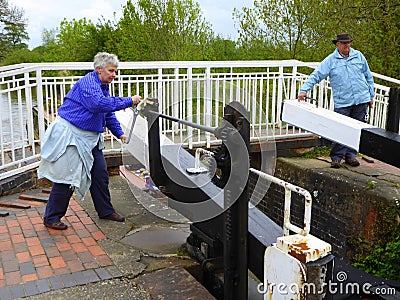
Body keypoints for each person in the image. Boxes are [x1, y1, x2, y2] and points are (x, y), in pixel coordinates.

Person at [38, 52, 141, 230]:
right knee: (68, 177)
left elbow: (106, 113)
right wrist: (128, 101)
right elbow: (98, 105)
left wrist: (120, 134)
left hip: (89, 138)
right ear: (99, 69)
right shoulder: (88, 83)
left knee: (100, 174)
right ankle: (51, 217)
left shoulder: (102, 86)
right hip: (71, 136)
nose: (114, 75)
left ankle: (105, 211)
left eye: (115, 71)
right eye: (111, 71)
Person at [298, 33, 374, 168]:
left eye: (348, 43)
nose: (347, 45)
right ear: (337, 45)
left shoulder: (359, 56)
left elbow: (368, 76)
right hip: (343, 101)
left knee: (356, 129)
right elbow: (317, 75)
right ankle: (336, 157)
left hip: (361, 99)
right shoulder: (331, 60)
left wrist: (371, 96)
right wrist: (304, 90)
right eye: (344, 43)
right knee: (340, 130)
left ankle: (351, 156)